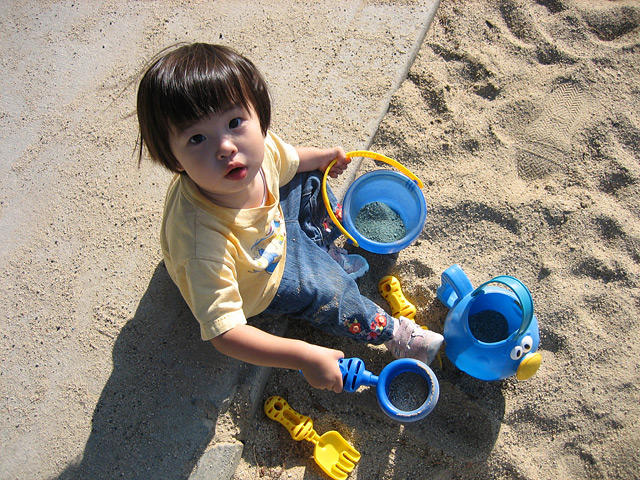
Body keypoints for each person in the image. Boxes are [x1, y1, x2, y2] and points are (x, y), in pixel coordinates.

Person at [136, 43, 443, 393]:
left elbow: (290, 160)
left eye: (235, 122)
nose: (225, 146)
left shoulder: (257, 152)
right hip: (260, 273)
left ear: (258, 115)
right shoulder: (201, 244)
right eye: (196, 138)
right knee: (332, 291)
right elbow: (225, 333)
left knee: (314, 179)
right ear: (174, 160)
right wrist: (303, 356)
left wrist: (323, 157)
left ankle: (323, 252)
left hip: (273, 223)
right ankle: (394, 334)